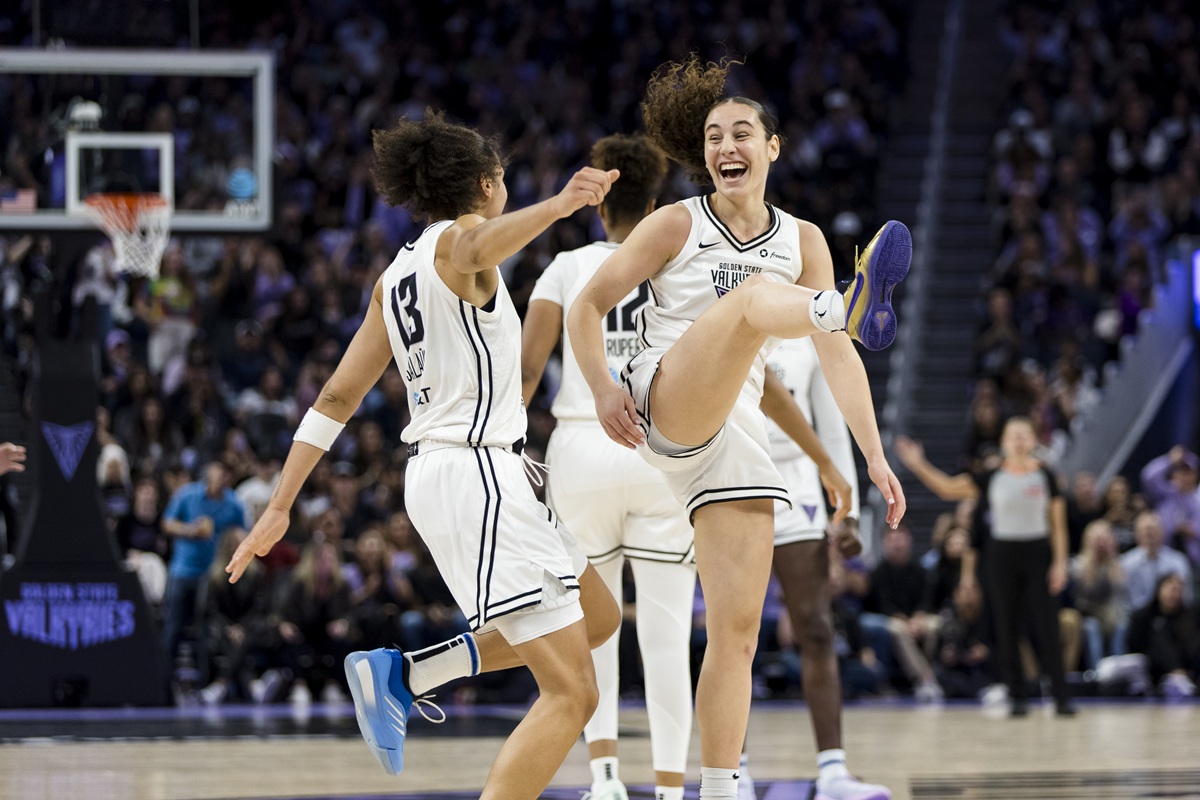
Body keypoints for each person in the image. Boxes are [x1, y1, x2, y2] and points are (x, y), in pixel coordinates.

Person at [226, 110, 621, 800]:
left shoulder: (395, 274)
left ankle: (410, 674)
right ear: (488, 184)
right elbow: (475, 250)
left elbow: (338, 396)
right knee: (573, 695)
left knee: (599, 616)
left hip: (459, 474)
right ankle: (411, 681)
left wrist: (283, 502)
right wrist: (559, 206)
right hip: (478, 471)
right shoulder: (459, 244)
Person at [566, 56, 908, 800]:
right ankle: (841, 304)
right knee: (758, 299)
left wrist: (872, 458)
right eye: (715, 134)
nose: (726, 144)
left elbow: (837, 366)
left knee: (739, 631)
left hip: (734, 433)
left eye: (742, 132)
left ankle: (720, 789)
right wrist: (599, 387)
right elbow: (584, 305)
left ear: (772, 148)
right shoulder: (675, 223)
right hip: (664, 396)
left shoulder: (802, 238)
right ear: (705, 154)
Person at [521, 134, 696, 800]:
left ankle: (604, 780)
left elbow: (532, 368)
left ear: (600, 210)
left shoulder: (565, 267)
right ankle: (674, 789)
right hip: (660, 451)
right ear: (654, 204)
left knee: (594, 623)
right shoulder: (675, 262)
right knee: (666, 632)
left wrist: (506, 446)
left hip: (580, 448)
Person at [742, 336, 896, 799]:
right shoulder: (724, 317)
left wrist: (846, 513)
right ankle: (732, 774)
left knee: (815, 627)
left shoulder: (807, 341)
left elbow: (832, 430)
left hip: (799, 487)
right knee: (735, 636)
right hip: (736, 476)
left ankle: (833, 772)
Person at [895, 418, 1075, 717]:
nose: (1018, 439)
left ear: (1033, 441)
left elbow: (1058, 526)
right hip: (1001, 555)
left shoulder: (1047, 476)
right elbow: (947, 489)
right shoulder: (990, 476)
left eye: (1024, 434)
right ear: (1004, 442)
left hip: (1038, 554)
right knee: (1007, 626)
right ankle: (1017, 695)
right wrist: (918, 464)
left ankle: (1060, 696)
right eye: (1012, 434)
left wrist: (1059, 563)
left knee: (1046, 626)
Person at [161, 461, 248, 666]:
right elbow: (167, 523)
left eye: (227, 473)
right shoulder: (188, 494)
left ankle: (203, 685)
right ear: (209, 471)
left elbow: (242, 534)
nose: (222, 477)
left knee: (205, 630)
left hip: (211, 574)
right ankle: (163, 683)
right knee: (173, 627)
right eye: (219, 470)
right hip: (182, 570)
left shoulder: (234, 504)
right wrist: (190, 530)